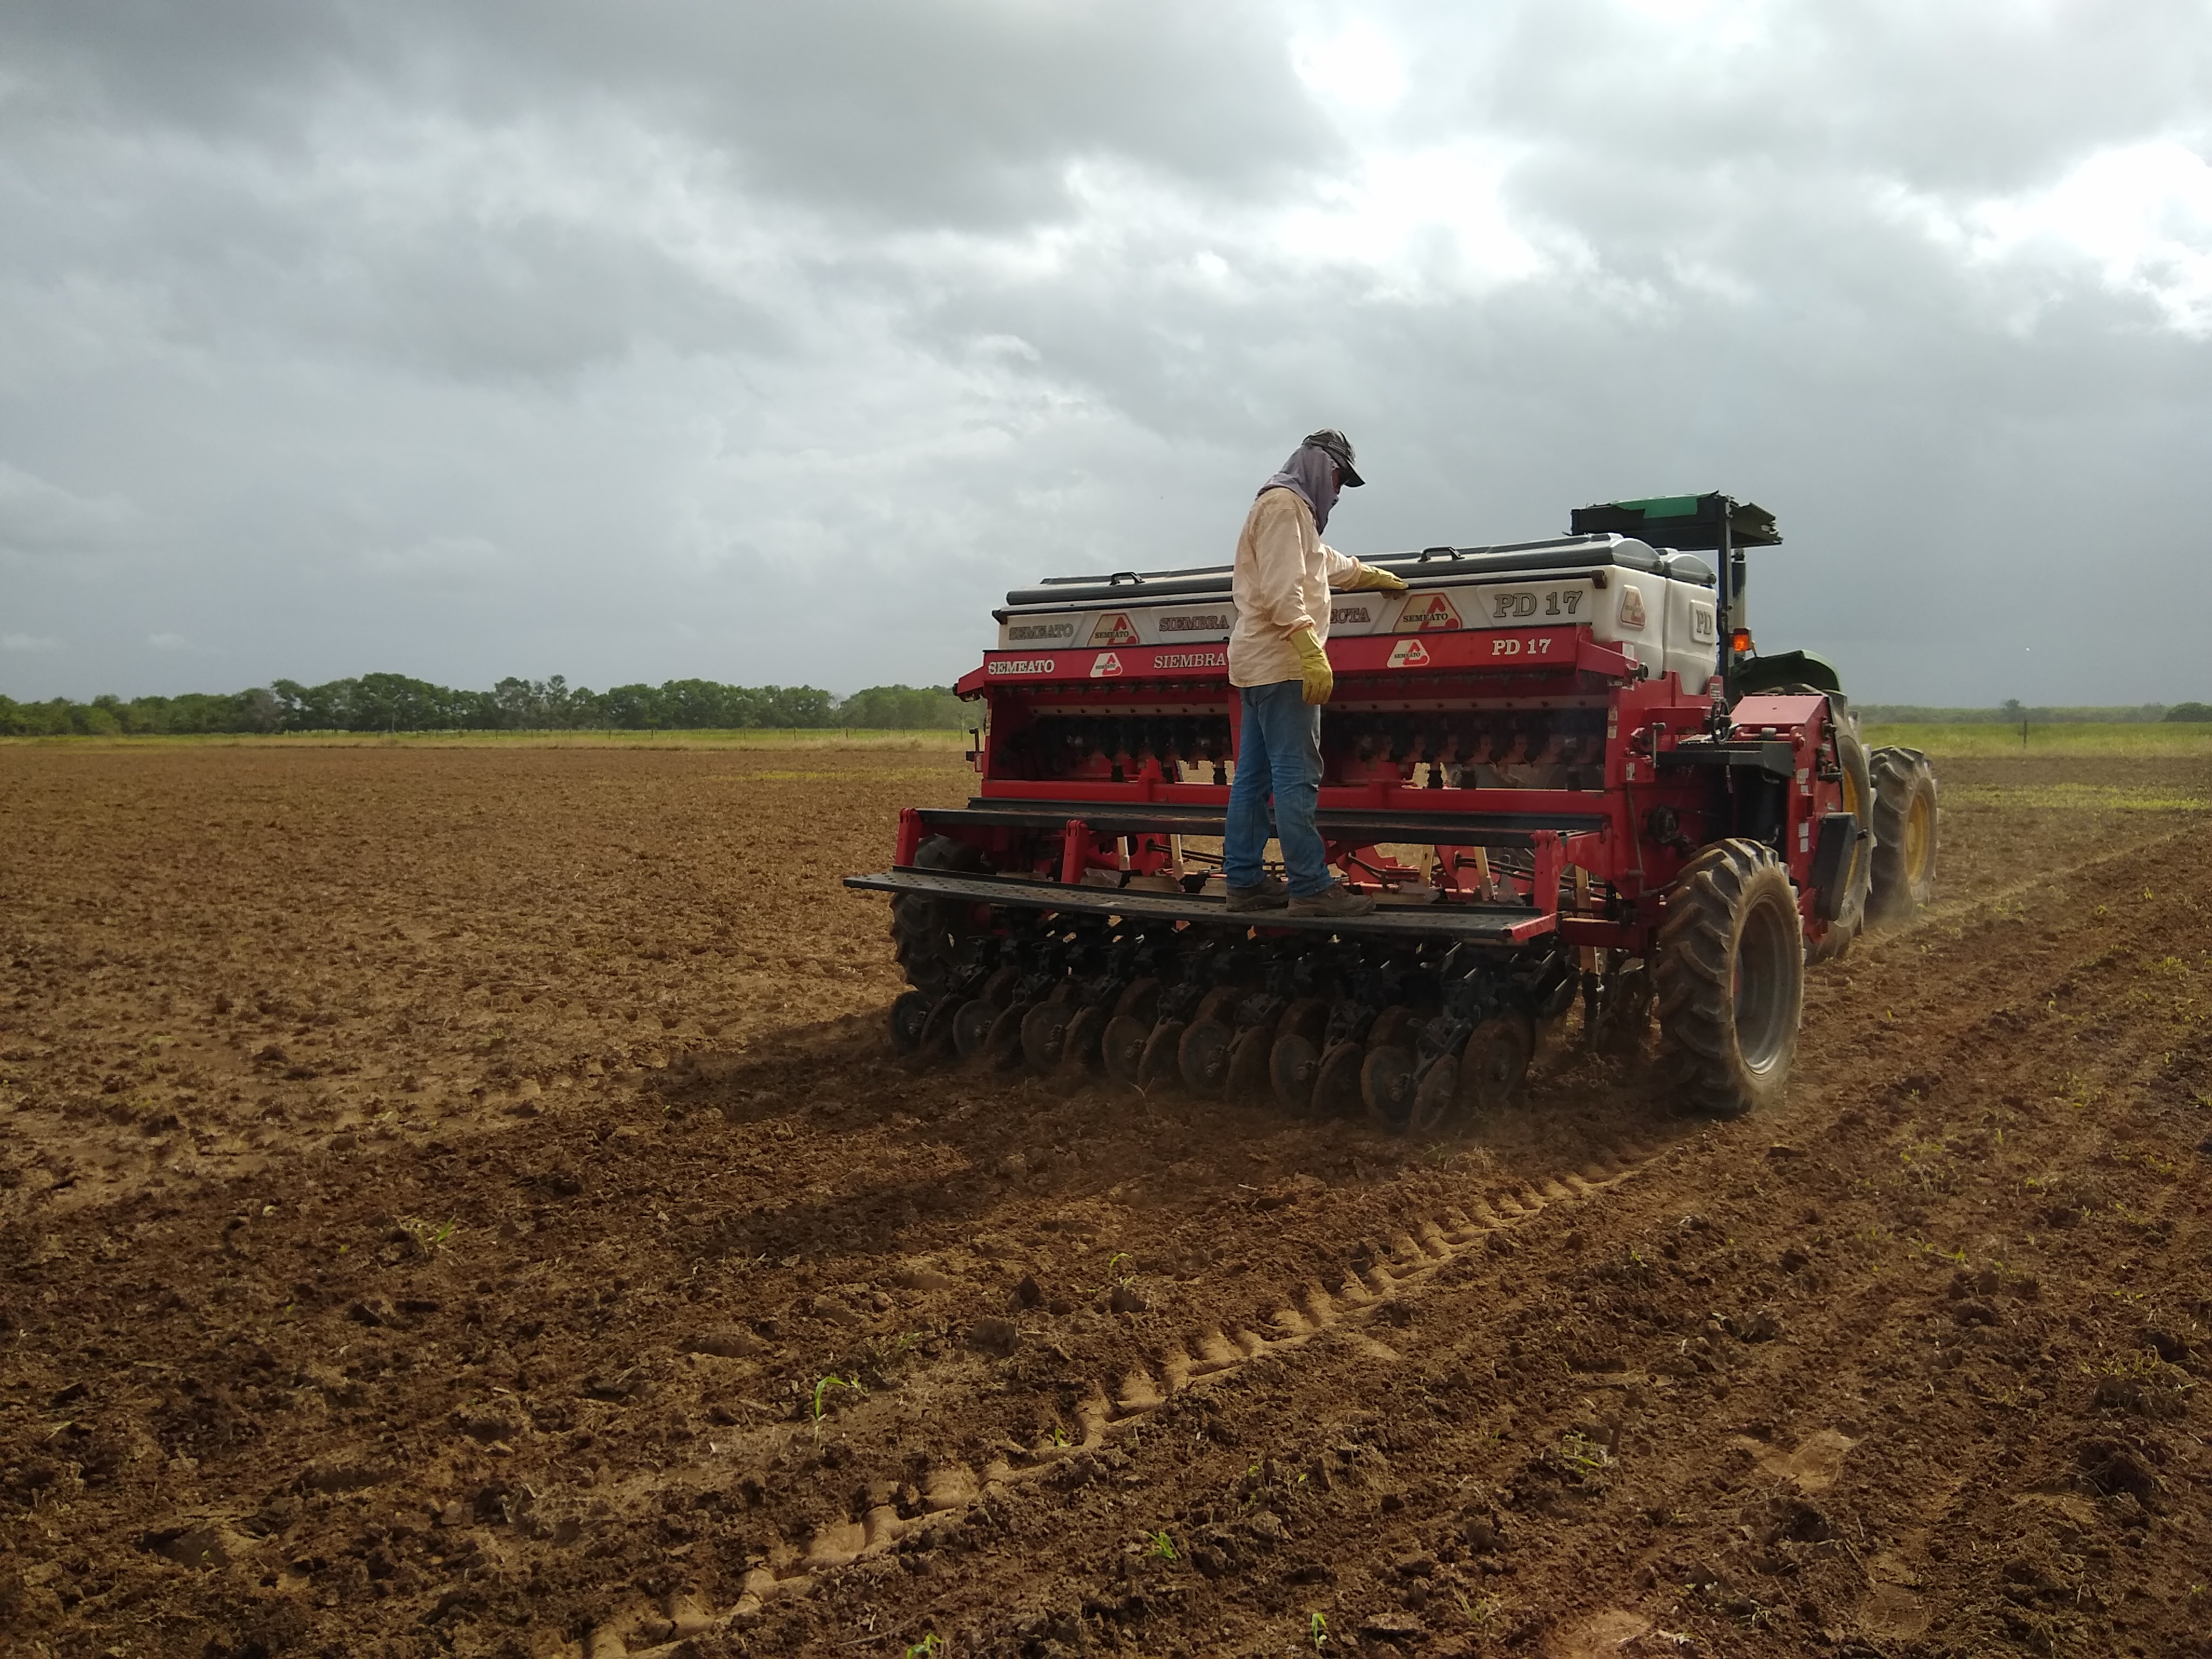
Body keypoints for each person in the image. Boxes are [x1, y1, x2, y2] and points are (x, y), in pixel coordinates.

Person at [1223, 429, 1408, 916]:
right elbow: (1284, 590)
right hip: (1282, 665)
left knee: (1254, 777)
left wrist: (1373, 576)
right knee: (1295, 777)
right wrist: (1309, 649)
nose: (1341, 490)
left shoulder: (1287, 509)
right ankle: (1309, 887)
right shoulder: (1285, 508)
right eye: (1340, 477)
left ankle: (1244, 882)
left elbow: (1320, 563)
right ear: (1319, 466)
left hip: (1257, 665)